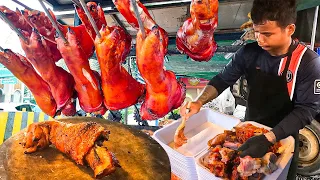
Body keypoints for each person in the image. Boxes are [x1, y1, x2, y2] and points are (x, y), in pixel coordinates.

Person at [180, 0, 320, 179]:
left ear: (290, 29)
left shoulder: (308, 62)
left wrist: (269, 138)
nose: (260, 40)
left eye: (267, 34)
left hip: (284, 138)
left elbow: (307, 109)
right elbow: (222, 79)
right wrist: (199, 101)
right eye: (257, 32)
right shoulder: (248, 53)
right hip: (249, 130)